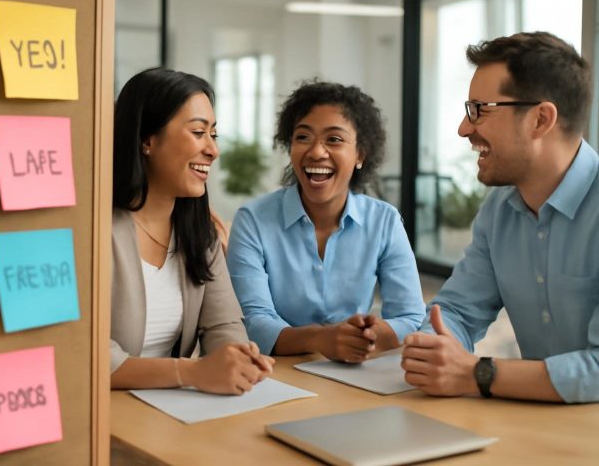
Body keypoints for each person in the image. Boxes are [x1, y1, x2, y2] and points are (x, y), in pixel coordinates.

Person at [401, 31, 599, 403]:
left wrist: (478, 373)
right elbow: (457, 311)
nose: (464, 128)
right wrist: (433, 347)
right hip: (540, 427)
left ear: (541, 120)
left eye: (480, 110)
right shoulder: (499, 209)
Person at [227, 80, 425, 361]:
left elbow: (410, 315)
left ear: (360, 155)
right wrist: (321, 339)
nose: (317, 152)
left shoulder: (384, 221)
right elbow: (253, 322)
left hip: (356, 370)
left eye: (334, 139)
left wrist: (369, 335)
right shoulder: (253, 221)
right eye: (303, 137)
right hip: (275, 370)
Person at [110, 68, 274, 395]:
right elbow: (83, 351)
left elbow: (223, 324)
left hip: (173, 412)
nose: (213, 150)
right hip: (101, 416)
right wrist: (193, 371)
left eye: (214, 134)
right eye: (198, 132)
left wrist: (236, 358)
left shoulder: (200, 232)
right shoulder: (95, 231)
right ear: (146, 140)